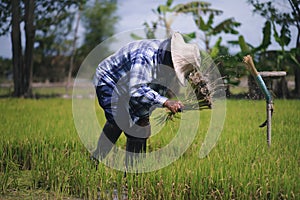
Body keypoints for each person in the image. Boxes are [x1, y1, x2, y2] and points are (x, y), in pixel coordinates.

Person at [92, 32, 201, 167]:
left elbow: (154, 91)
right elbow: (136, 89)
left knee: (140, 130)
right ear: (171, 58)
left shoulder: (166, 68)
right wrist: (166, 102)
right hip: (110, 80)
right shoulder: (145, 56)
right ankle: (95, 161)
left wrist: (144, 117)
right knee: (119, 120)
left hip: (130, 86)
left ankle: (132, 176)